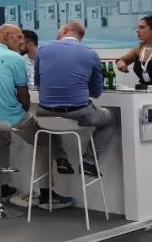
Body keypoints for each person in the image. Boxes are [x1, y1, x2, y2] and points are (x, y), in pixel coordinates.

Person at [0, 25, 73, 209]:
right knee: (44, 139)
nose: (22, 41)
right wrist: (23, 112)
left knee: (1, 141)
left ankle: (3, 189)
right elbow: (23, 94)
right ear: (7, 36)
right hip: (10, 117)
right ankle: (47, 195)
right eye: (18, 37)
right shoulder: (15, 58)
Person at [35, 22, 115, 178]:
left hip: (44, 112)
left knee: (52, 121)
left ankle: (61, 157)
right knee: (111, 119)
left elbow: (38, 82)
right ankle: (89, 161)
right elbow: (96, 93)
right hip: (78, 113)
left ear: (65, 30)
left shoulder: (43, 49)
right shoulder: (91, 54)